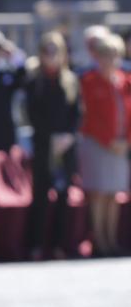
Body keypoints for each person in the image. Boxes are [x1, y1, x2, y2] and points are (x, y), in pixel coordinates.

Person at [24, 31, 80, 261]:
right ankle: (36, 244)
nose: (51, 56)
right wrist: (50, 138)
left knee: (63, 195)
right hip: (44, 145)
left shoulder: (70, 80)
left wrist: (68, 136)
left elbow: (76, 113)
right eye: (47, 51)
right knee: (41, 195)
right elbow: (32, 114)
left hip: (65, 146)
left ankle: (59, 244)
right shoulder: (34, 81)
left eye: (55, 51)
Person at [77, 32, 130, 257]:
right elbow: (89, 117)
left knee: (113, 194)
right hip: (98, 144)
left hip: (121, 145)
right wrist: (109, 141)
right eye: (104, 54)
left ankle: (112, 239)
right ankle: (99, 240)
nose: (109, 59)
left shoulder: (126, 81)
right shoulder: (89, 81)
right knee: (99, 193)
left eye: (113, 54)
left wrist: (127, 141)